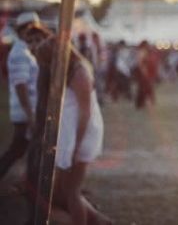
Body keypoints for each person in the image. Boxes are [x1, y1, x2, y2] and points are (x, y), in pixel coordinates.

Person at [23, 25, 112, 225]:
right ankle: (100, 221)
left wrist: (76, 146)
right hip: (72, 133)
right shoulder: (69, 70)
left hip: (82, 133)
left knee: (71, 190)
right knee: (62, 190)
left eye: (48, 60)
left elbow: (85, 112)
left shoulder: (79, 72)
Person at [0, 12, 40, 181]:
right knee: (20, 149)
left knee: (23, 149)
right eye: (31, 29)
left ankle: (32, 183)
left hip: (26, 109)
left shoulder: (25, 51)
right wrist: (31, 116)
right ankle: (32, 185)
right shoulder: (20, 53)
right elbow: (20, 86)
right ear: (23, 30)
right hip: (24, 111)